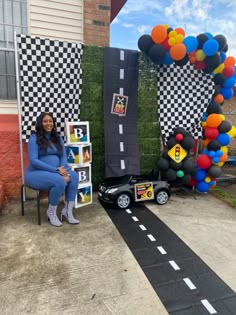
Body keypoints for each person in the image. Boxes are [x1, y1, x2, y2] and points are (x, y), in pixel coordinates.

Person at [24, 112, 79, 227]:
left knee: (74, 176)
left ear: (53, 123)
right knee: (59, 181)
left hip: (57, 171)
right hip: (35, 172)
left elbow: (63, 156)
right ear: (40, 123)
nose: (48, 123)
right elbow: (33, 160)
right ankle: (51, 212)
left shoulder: (57, 138)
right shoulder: (34, 138)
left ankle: (67, 211)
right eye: (45, 121)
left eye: (50, 121)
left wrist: (62, 168)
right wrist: (56, 170)